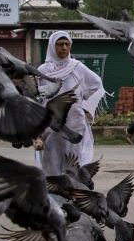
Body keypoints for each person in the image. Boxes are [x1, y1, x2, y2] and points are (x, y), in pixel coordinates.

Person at [35, 31, 104, 176]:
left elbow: (96, 83)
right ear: (52, 46)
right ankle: (53, 196)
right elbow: (36, 96)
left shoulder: (76, 67)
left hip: (74, 123)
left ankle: (74, 195)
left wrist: (81, 98)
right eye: (60, 44)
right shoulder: (43, 71)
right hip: (51, 125)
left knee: (73, 163)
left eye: (67, 44)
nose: (64, 48)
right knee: (52, 163)